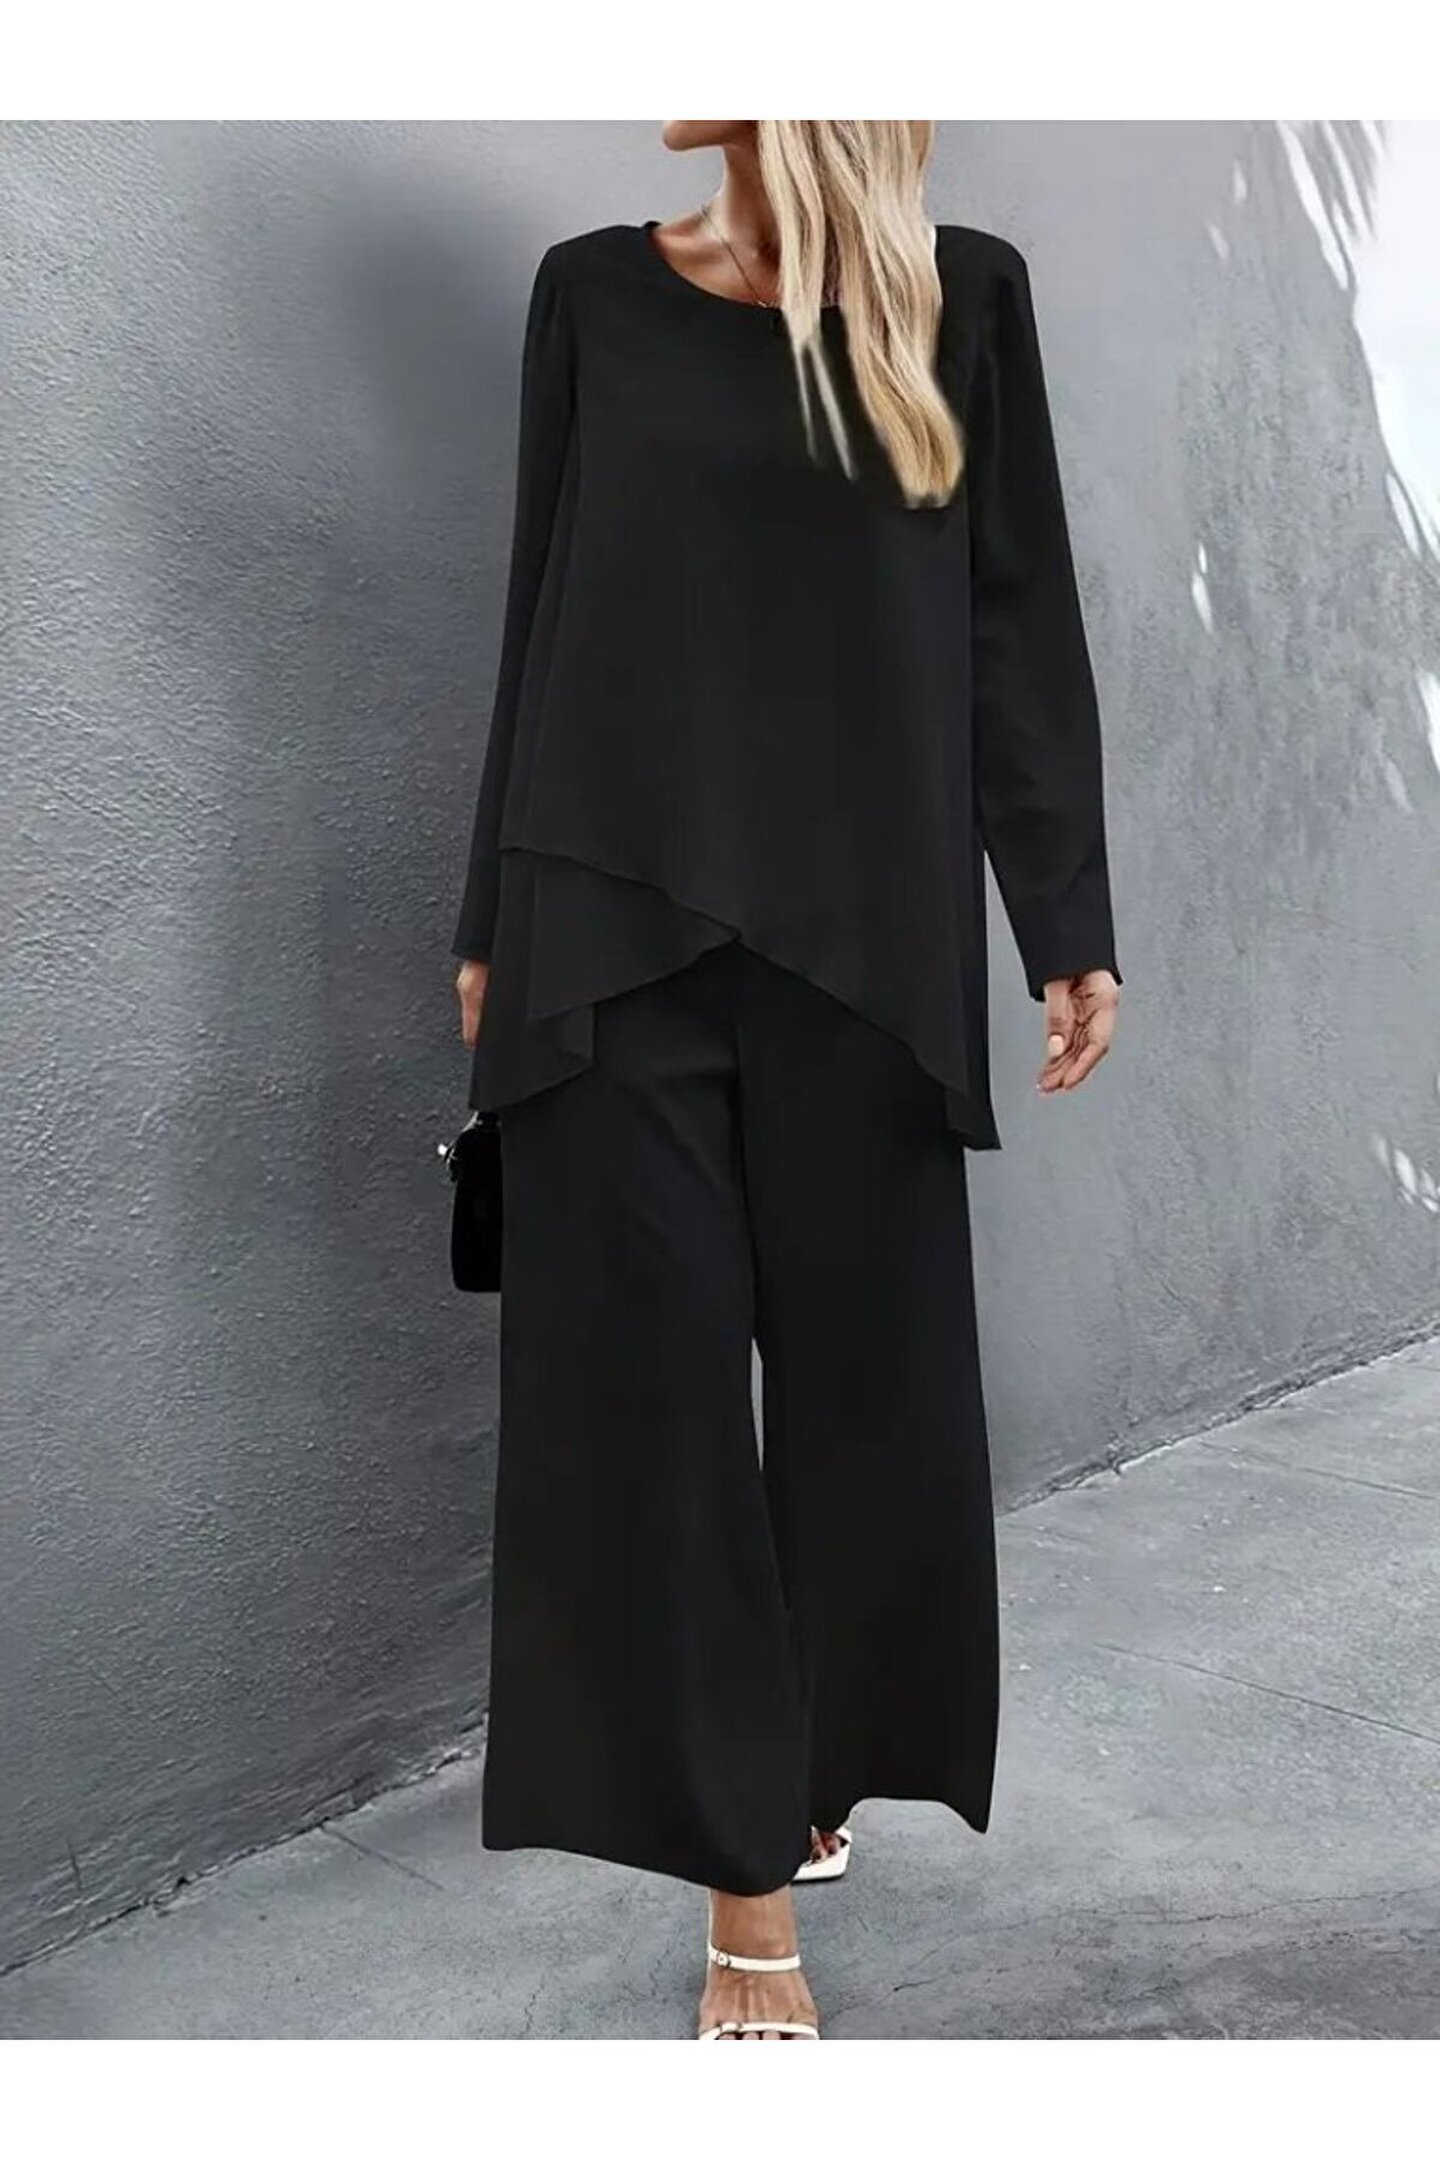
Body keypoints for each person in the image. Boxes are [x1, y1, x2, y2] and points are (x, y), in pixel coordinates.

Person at [451, 120, 1122, 2041]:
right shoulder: (591, 293)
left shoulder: (959, 300)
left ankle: (807, 1758)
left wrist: (1063, 916)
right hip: (609, 932)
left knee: (865, 1403)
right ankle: (747, 1896)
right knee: (652, 1408)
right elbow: (540, 614)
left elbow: (1014, 621)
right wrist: (489, 916)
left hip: (865, 946)